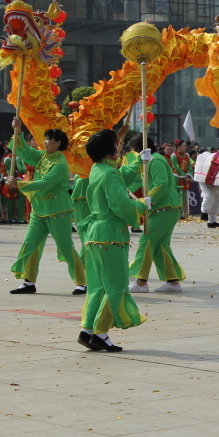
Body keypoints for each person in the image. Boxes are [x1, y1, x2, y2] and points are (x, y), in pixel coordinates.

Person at [78, 129, 149, 352]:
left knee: (98, 287)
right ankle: (100, 332)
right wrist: (142, 204)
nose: (119, 147)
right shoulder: (109, 174)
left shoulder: (98, 169)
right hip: (110, 235)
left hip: (95, 235)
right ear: (110, 149)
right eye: (117, 144)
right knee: (116, 286)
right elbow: (121, 205)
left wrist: (138, 161)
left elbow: (121, 176)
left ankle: (88, 329)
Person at [6, 118, 87, 295]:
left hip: (58, 212)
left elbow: (45, 183)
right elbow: (25, 152)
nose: (45, 142)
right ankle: (29, 282)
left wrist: (18, 184)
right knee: (30, 245)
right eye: (45, 138)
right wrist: (18, 131)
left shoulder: (60, 164)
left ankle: (82, 282)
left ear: (58, 143)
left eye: (49, 139)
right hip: (39, 210)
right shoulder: (42, 156)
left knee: (66, 248)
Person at [127, 135, 186, 294]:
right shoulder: (148, 161)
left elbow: (162, 183)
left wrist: (149, 200)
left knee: (146, 242)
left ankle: (141, 281)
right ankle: (172, 281)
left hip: (164, 207)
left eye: (133, 150)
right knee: (160, 246)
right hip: (162, 208)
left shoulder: (155, 160)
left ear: (138, 149)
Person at [194, 145, 219, 228]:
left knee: (218, 199)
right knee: (209, 195)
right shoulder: (204, 161)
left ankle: (212, 221)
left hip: (217, 179)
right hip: (204, 179)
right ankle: (204, 212)